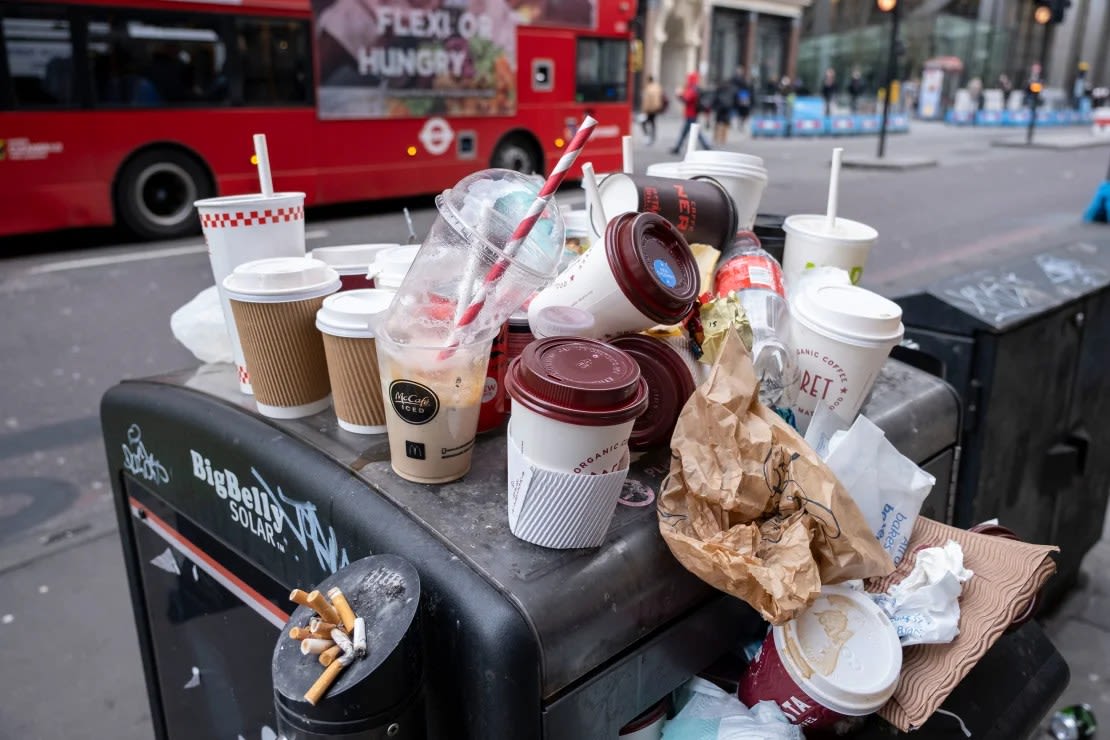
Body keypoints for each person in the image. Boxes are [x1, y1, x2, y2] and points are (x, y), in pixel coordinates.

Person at [670, 71, 712, 154]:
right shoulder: (693, 88)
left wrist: (679, 95)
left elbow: (686, 99)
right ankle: (677, 148)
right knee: (691, 132)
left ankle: (677, 148)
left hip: (691, 114)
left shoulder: (692, 89)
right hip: (692, 114)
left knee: (694, 132)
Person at [712, 75, 737, 145]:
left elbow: (715, 98)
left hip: (720, 108)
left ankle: (716, 137)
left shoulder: (719, 89)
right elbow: (734, 100)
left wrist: (714, 106)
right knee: (724, 123)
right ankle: (723, 138)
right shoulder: (731, 89)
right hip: (726, 108)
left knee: (718, 123)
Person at [641, 75, 665, 145]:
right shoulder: (657, 87)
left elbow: (647, 101)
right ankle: (653, 136)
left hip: (649, 109)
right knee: (652, 122)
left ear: (648, 80)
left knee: (644, 122)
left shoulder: (648, 88)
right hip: (655, 109)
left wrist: (645, 109)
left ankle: (647, 136)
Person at [732, 65, 752, 136]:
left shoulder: (743, 80)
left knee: (744, 113)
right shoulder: (735, 79)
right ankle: (739, 123)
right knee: (740, 112)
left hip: (744, 98)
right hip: (739, 98)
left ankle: (741, 123)